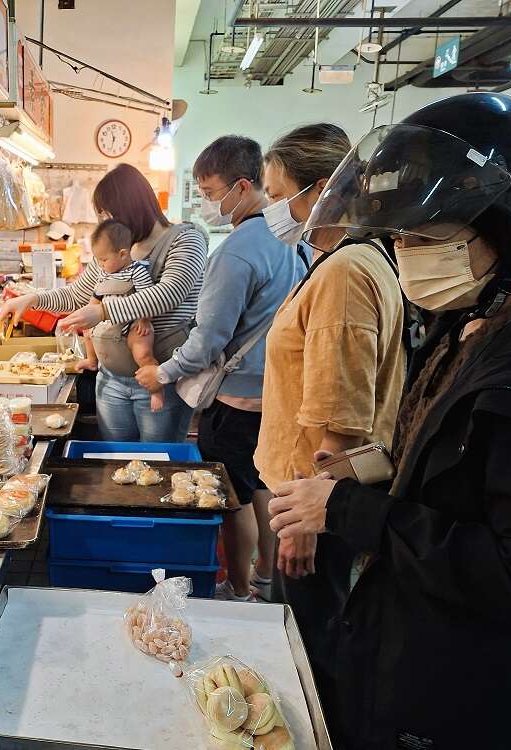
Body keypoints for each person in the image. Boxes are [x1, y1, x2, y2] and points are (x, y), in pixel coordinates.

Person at [267, 93, 511, 749]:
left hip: (472, 694)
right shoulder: (469, 320)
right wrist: (367, 472)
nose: (406, 254)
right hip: (410, 646)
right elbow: (443, 462)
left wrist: (349, 511)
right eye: (399, 238)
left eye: (427, 238)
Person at [253, 123, 407, 697]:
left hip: (316, 501)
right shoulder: (343, 262)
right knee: (311, 633)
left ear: (320, 190)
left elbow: (337, 416)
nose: (272, 209)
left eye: (277, 194)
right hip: (313, 498)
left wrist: (307, 522)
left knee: (308, 651)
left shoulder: (344, 273)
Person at [134, 135, 306, 602]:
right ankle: (266, 577)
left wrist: (161, 373)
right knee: (263, 486)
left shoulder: (236, 251)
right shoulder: (294, 240)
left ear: (243, 186)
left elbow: (207, 340)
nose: (208, 204)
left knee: (233, 498)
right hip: (277, 393)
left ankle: (240, 588)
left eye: (210, 193)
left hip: (235, 400)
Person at [0, 164, 207, 442]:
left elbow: (168, 294)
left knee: (157, 460)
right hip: (111, 381)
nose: (106, 222)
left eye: (108, 214)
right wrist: (33, 299)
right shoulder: (114, 245)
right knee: (113, 459)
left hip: (160, 380)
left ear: (131, 208)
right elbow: (77, 295)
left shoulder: (185, 239)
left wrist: (103, 310)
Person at [75, 219, 165, 412]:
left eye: (104, 260)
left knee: (142, 352)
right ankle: (92, 361)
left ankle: (156, 390)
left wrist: (144, 319)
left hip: (132, 324)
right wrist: (84, 317)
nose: (100, 264)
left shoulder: (137, 272)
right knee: (87, 333)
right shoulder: (104, 273)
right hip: (108, 327)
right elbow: (96, 297)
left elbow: (148, 299)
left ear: (123, 254)